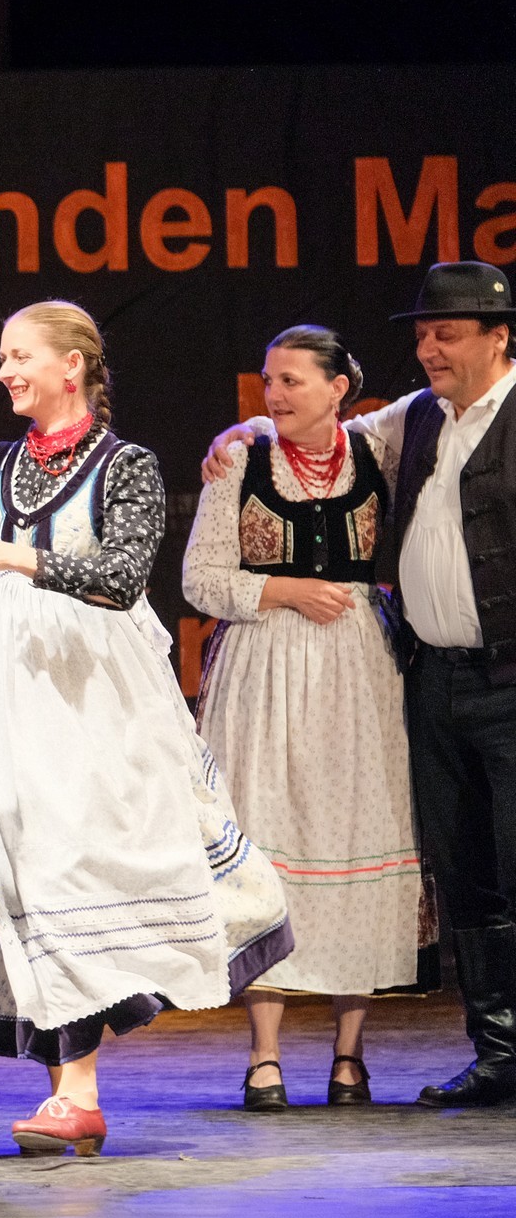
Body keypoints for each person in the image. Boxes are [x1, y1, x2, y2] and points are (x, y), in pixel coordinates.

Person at [0, 300, 292, 1157]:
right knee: (28, 872)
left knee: (87, 865)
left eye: (20, 356)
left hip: (97, 696)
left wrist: (13, 556)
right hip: (10, 694)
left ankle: (82, 1082)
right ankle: (74, 1094)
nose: (4, 371)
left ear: (71, 365)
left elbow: (123, 576)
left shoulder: (126, 465)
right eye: (2, 357)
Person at [204, 261, 516, 1107]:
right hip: (431, 676)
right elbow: (317, 425)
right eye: (423, 335)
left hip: (503, 675)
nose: (429, 348)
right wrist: (245, 428)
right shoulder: (416, 418)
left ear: (499, 336)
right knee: (467, 871)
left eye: (447, 334)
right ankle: (499, 1054)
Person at [184, 326, 421, 1111]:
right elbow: (200, 579)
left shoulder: (379, 449)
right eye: (268, 381)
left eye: (291, 380)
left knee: (356, 832)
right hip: (263, 664)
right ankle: (265, 1055)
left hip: (358, 668)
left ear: (337, 387)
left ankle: (350, 1055)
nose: (275, 394)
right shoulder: (241, 461)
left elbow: (448, 405)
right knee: (267, 841)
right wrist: (282, 590)